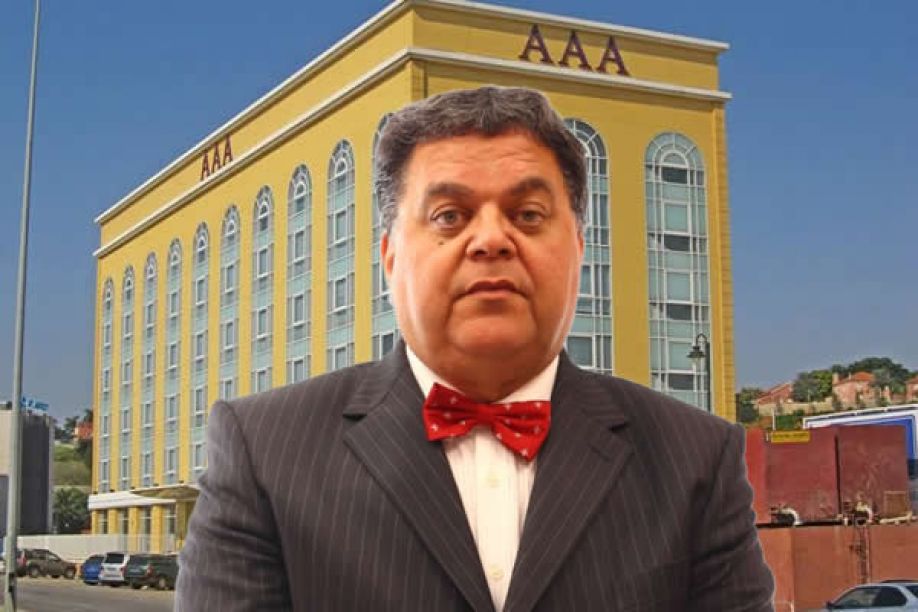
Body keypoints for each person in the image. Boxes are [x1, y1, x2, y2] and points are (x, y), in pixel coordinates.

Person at [177, 86, 775, 611]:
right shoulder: (265, 452)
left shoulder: (696, 458)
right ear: (390, 257)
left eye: (528, 214)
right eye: (449, 215)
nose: (490, 239)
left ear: (578, 248)